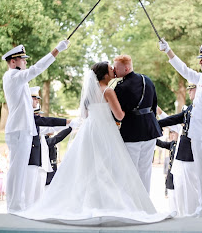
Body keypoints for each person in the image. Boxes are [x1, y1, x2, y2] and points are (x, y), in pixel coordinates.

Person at [11, 61, 174, 225]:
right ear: (104, 74)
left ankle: (88, 201)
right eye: (111, 69)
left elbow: (85, 114)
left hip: (89, 130)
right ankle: (106, 203)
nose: (113, 71)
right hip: (105, 130)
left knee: (88, 167)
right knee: (108, 167)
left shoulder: (90, 92)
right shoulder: (108, 91)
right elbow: (119, 116)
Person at [159, 39, 202, 218]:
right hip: (196, 134)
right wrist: (169, 51)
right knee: (201, 173)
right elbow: (185, 71)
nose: (200, 62)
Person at [1, 40, 69, 213]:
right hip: (18, 129)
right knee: (17, 169)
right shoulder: (13, 76)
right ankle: (14, 206)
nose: (25, 61)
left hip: (22, 129)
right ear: (13, 61)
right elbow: (37, 69)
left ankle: (17, 204)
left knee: (19, 169)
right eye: (22, 59)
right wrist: (56, 50)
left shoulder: (19, 80)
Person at [112, 54, 162, 194]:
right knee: (145, 170)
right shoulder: (147, 79)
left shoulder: (120, 87)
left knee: (129, 170)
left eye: (116, 68)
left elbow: (117, 113)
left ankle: (132, 205)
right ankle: (145, 203)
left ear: (126, 68)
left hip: (132, 131)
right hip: (151, 129)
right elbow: (154, 104)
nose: (113, 70)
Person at [157, 83, 199, 217]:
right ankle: (183, 216)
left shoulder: (200, 108)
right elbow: (173, 119)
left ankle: (190, 216)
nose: (190, 92)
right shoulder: (191, 109)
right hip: (180, 158)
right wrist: (154, 124)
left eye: (192, 90)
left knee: (190, 190)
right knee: (180, 189)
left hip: (190, 155)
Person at [25, 86, 71, 207]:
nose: (37, 101)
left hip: (41, 164)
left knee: (38, 197)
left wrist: (70, 126)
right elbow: (49, 125)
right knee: (30, 194)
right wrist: (68, 124)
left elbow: (52, 128)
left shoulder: (39, 128)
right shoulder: (28, 117)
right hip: (31, 161)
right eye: (34, 98)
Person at [153, 125, 180, 213]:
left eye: (174, 133)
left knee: (178, 197)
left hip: (179, 174)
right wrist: (152, 137)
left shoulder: (181, 145)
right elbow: (162, 144)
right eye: (171, 133)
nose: (172, 135)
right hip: (171, 174)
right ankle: (173, 212)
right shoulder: (173, 144)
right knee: (171, 196)